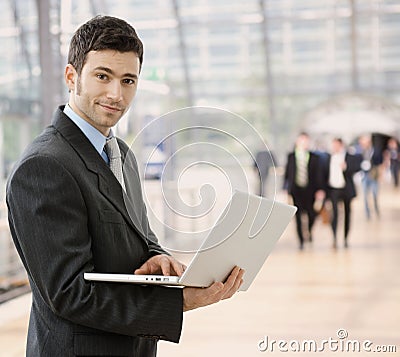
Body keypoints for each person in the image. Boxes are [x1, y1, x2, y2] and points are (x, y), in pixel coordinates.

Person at [6, 16, 244, 357]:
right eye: (102, 76)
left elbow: (140, 236)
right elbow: (69, 294)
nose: (116, 94)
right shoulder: (44, 167)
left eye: (128, 80)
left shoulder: (121, 154)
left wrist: (157, 258)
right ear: (72, 77)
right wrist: (179, 303)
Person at [283, 132, 324, 250]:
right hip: (296, 190)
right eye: (302, 141)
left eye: (306, 141)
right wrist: (285, 189)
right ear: (297, 142)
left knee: (312, 214)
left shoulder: (314, 157)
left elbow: (318, 174)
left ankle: (309, 231)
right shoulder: (291, 156)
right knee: (298, 215)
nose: (304, 143)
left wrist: (320, 190)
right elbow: (287, 173)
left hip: (310, 190)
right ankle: (301, 240)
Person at [324, 138, 361, 248]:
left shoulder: (350, 156)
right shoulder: (328, 158)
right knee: (334, 214)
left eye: (335, 145)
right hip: (334, 189)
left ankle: (345, 237)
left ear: (340, 145)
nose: (333, 147)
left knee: (347, 213)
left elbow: (357, 168)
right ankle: (334, 236)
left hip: (346, 189)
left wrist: (346, 167)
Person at [358, 134, 383, 219]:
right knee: (365, 195)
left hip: (374, 175)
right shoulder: (361, 152)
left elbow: (380, 164)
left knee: (375, 194)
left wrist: (380, 175)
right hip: (364, 175)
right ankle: (367, 213)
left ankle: (376, 209)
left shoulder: (376, 151)